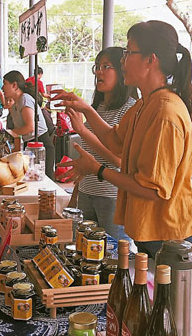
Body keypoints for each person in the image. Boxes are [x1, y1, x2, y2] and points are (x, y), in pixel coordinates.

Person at [54, 20, 192, 306]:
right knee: (156, 312)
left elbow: (151, 189)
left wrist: (98, 169)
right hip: (154, 232)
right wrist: (86, 108)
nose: (122, 60)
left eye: (129, 52)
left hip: (176, 237)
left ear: (151, 60)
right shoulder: (145, 105)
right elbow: (115, 140)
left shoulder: (165, 113)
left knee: (184, 315)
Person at [66, 47, 136, 244]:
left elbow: (119, 161)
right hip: (87, 193)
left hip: (112, 197)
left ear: (122, 71)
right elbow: (87, 158)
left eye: (106, 66)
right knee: (86, 254)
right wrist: (75, 197)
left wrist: (83, 131)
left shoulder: (129, 109)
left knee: (115, 257)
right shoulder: (97, 108)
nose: (99, 72)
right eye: (97, 67)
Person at [2, 70, 55, 180]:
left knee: (44, 181)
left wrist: (9, 134)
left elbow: (30, 127)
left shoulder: (25, 99)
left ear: (14, 85)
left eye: (5, 84)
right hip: (29, 145)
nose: (2, 88)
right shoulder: (15, 103)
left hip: (41, 145)